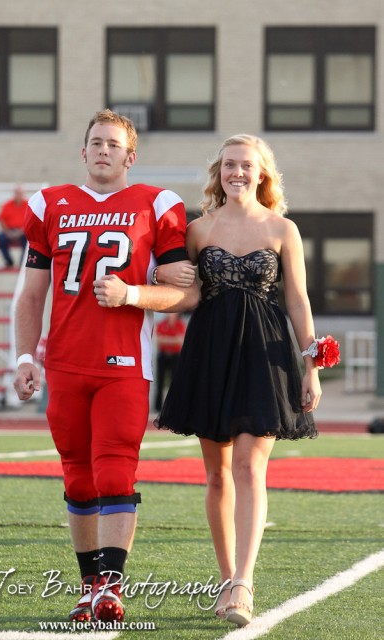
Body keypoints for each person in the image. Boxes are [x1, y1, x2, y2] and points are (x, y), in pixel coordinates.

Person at [13, 109, 198, 624]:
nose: (103, 150)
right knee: (77, 478)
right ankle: (87, 588)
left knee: (115, 470)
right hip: (65, 362)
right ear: (83, 151)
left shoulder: (156, 204)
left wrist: (131, 293)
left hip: (124, 362)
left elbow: (184, 294)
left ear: (129, 156)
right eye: (96, 142)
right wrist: (25, 356)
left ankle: (111, 589)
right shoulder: (50, 204)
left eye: (113, 144)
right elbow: (31, 295)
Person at [156, 134, 321, 627]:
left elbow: (298, 301)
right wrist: (144, 290)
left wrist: (311, 365)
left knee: (250, 467)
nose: (238, 173)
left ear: (262, 172)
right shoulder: (198, 230)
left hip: (265, 356)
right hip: (210, 352)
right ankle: (226, 578)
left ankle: (244, 584)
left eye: (247, 165)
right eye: (230, 165)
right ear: (219, 172)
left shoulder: (283, 229)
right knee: (217, 474)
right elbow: (183, 291)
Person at [154, 312, 186, 411]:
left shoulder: (180, 324)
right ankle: (158, 407)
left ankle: (173, 406)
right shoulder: (161, 324)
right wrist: (173, 340)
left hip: (175, 356)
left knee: (175, 381)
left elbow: (180, 341)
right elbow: (159, 340)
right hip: (163, 355)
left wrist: (166, 340)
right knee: (160, 382)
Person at [0, 184, 28, 267]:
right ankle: (9, 261)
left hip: (23, 231)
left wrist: (22, 231)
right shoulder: (7, 205)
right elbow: (1, 220)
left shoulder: (28, 204)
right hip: (9, 230)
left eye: (20, 193)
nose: (18, 195)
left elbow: (31, 221)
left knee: (29, 239)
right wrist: (7, 232)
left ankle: (22, 261)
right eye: (16, 193)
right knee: (0, 238)